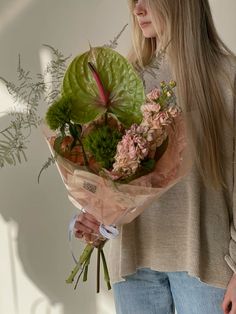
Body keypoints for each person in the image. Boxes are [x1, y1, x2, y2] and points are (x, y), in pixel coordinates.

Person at [74, 0, 236, 313]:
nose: (137, 10)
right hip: (134, 260)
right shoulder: (124, 81)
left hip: (205, 262)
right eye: (134, 1)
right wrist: (97, 212)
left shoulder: (226, 77)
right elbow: (110, 172)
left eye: (148, 0)